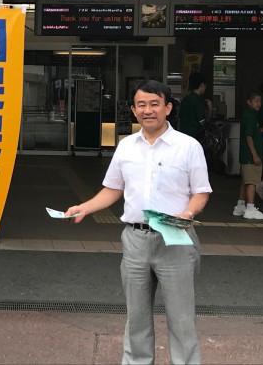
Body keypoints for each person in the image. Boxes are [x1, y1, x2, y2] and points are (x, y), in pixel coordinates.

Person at [65, 80, 211, 364]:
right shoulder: (126, 147)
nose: (148, 110)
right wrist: (85, 207)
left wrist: (188, 213)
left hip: (175, 239)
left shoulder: (188, 146)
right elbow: (113, 189)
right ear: (133, 110)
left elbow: (201, 192)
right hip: (135, 241)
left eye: (155, 104)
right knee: (136, 318)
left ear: (168, 108)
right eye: (141, 105)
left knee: (182, 319)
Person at [232, 91, 263, 219]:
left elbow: (252, 132)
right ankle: (250, 208)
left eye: (260, 101)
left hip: (246, 156)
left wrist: (261, 130)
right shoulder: (250, 116)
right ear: (249, 102)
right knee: (252, 182)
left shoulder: (250, 116)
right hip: (250, 156)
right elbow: (249, 136)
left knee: (245, 181)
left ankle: (240, 206)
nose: (259, 104)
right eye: (256, 101)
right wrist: (255, 155)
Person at [179, 72, 211, 142]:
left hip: (183, 136)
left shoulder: (185, 99)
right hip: (195, 137)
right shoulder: (198, 101)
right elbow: (203, 122)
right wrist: (209, 109)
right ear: (202, 85)